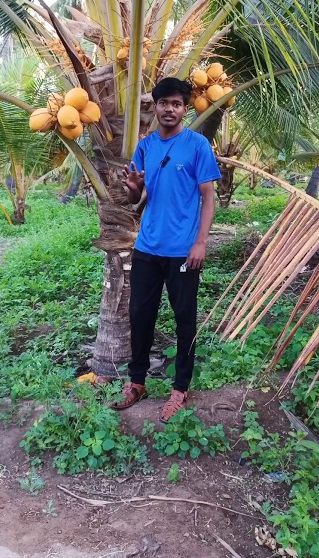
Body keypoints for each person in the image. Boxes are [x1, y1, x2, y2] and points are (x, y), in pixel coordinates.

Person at [111, 77, 221, 422]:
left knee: (184, 319)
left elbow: (207, 196)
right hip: (147, 247)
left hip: (183, 251)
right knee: (140, 316)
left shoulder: (197, 145)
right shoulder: (145, 146)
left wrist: (200, 241)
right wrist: (132, 189)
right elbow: (137, 199)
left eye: (176, 104)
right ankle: (137, 382)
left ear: (184, 109)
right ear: (154, 107)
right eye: (163, 103)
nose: (169, 109)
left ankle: (179, 388)